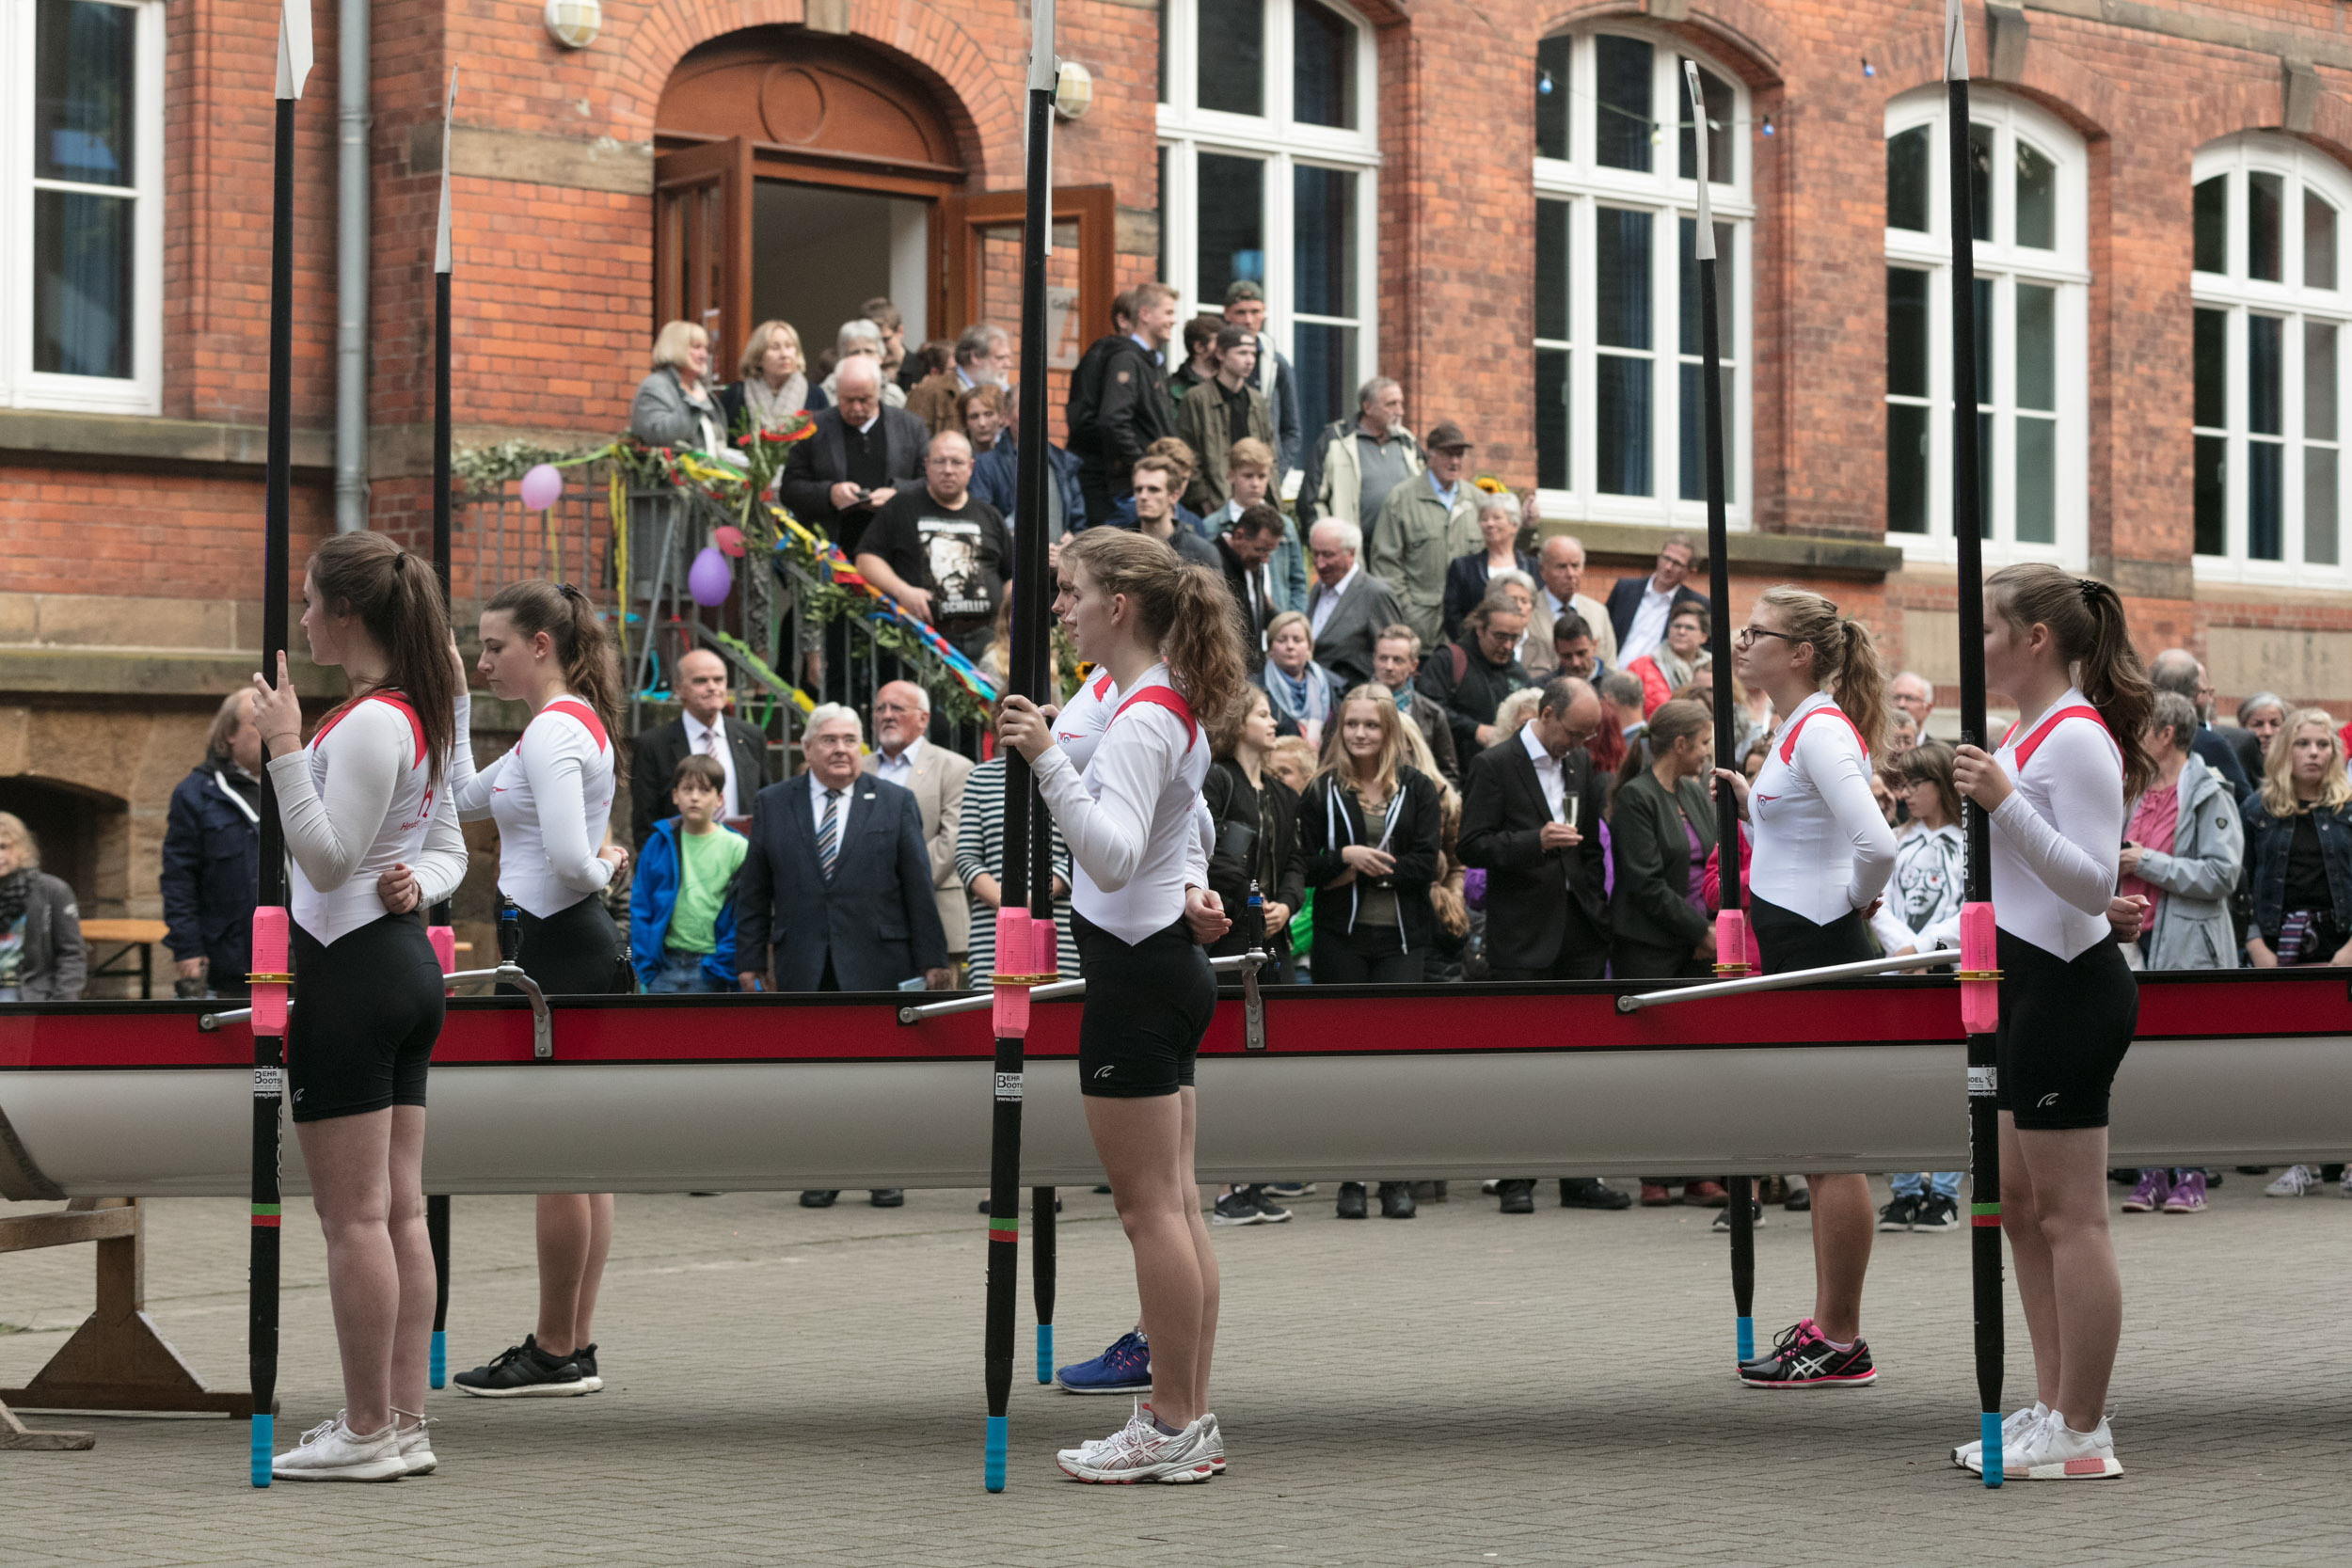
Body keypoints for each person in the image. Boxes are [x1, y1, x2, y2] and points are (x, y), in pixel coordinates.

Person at [993, 525, 1244, 1483]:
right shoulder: (1149, 701)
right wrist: (1190, 882)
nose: (1059, 608)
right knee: (1174, 1205)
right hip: (1154, 961)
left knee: (1153, 1212)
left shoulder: (1146, 713)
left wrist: (1047, 756)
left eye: (1069, 592)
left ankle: (1170, 1420)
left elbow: (1110, 851)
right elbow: (1188, 825)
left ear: (1119, 606)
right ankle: (1184, 1418)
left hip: (1140, 978)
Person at [254, 531, 464, 1480]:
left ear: (347, 612)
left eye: (309, 602)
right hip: (398, 968)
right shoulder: (408, 711)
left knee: (356, 1221)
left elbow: (328, 857)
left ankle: (369, 1425)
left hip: (354, 972)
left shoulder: (378, 720)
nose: (301, 618)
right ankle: (403, 1421)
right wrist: (415, 873)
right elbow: (440, 841)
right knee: (398, 1211)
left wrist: (286, 749)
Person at [1948, 562, 2152, 1481]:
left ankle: (2086, 1425)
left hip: (2071, 988)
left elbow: (2092, 881)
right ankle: (2051, 1402)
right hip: (2022, 983)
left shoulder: (2074, 737)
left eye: (1987, 626)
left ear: (2033, 638)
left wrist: (2001, 801)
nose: (1974, 642)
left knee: (2072, 1216)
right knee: (2021, 1209)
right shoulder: (2024, 733)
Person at [447, 578, 631, 1402]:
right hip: (557, 943)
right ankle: (571, 1341)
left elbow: (567, 861)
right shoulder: (548, 728)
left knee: (566, 1156)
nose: (483, 660)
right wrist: (454, 706)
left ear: (541, 646)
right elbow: (459, 797)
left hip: (561, 943)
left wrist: (607, 865)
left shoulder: (557, 731)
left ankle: (558, 1345)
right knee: (583, 1158)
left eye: (494, 647)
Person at [1715, 586, 1898, 1389]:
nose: (1742, 640)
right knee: (1820, 1146)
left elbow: (1877, 845)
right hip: (1797, 943)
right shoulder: (1791, 728)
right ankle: (1831, 1327)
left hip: (1821, 945)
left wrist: (1849, 904)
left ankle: (1840, 1334)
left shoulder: (1821, 729)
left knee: (1834, 1147)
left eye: (1759, 632)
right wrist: (1752, 808)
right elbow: (1807, 833)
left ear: (1802, 654)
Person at [1297, 686, 1442, 1218]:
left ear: (1390, 732)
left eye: (1371, 725)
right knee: (1347, 1061)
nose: (1360, 733)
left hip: (1403, 941)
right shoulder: (1320, 790)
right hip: (1342, 942)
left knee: (1396, 1061)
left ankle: (1396, 1179)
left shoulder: (1419, 788)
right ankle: (1351, 1179)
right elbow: (1304, 864)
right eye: (1352, 724)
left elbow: (1427, 863)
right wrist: (1344, 856)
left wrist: (1371, 867)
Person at [2114, 692, 2242, 1216]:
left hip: (2188, 946)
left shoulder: (2211, 792)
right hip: (2129, 943)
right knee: (2137, 1063)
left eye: (2140, 728)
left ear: (2165, 734)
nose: (2131, 736)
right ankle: (2149, 1176)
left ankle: (2191, 1175)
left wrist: (2150, 862)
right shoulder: (2132, 789)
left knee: (2188, 1067)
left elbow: (2222, 875)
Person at [2245, 710, 2352, 1199]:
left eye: (2323, 744)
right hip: (2279, 945)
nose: (2314, 752)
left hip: (2341, 944)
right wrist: (2255, 945)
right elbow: (2239, 887)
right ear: (2286, 750)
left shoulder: (2349, 809)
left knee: (2342, 1056)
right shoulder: (2259, 809)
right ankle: (2300, 1161)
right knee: (2289, 1059)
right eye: (2304, 743)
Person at [1869, 739, 1967, 1233]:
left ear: (1943, 784)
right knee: (1896, 1083)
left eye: (1915, 783)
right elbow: (1876, 900)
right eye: (1900, 784)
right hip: (1899, 972)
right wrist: (1902, 951)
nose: (1905, 793)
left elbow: (1970, 906)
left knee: (1951, 1080)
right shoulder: (1895, 841)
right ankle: (1904, 1190)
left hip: (1949, 972)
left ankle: (1945, 1192)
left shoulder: (1971, 843)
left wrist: (1926, 947)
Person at [1460, 675, 1610, 981]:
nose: (1579, 744)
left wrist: (1595, 902)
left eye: (1586, 736)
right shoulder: (1493, 765)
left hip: (1582, 931)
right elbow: (1471, 846)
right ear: (1547, 714)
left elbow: (1591, 845)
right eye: (1573, 733)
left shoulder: (1579, 760)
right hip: (1522, 940)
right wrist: (1535, 842)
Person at [854, 430, 1011, 663]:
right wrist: (903, 591)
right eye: (940, 461)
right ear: (927, 465)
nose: (948, 470)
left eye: (956, 462)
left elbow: (1011, 574)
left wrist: (1007, 618)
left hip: (986, 641)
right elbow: (866, 559)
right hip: (923, 641)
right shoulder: (900, 507)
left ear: (970, 467)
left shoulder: (989, 515)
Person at [859, 680, 976, 962]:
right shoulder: (859, 770)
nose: (886, 715)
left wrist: (897, 885)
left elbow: (952, 841)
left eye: (897, 708)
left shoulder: (955, 767)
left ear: (923, 718)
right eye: (880, 709)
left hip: (938, 918)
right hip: (868, 926)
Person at [161, 690, 262, 998]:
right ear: (230, 733)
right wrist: (187, 948)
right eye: (259, 723)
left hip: (303, 954)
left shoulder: (302, 782)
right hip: (233, 959)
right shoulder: (196, 794)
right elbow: (179, 879)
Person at [776, 355, 930, 554]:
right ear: (837, 393)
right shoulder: (814, 428)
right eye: (847, 400)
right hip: (832, 548)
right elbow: (790, 489)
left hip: (896, 547)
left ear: (878, 391)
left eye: (864, 399)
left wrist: (897, 494)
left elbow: (929, 481)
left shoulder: (910, 427)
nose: (856, 408)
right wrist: (830, 494)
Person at [955, 754, 1078, 985]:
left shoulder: (1070, 770)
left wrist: (1038, 900)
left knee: (1054, 1012)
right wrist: (1010, 903)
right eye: (1002, 715)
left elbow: (1080, 852)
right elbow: (966, 857)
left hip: (1057, 925)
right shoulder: (980, 777)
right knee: (987, 1013)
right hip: (992, 930)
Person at [629, 754, 747, 994]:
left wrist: (720, 965)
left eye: (704, 790)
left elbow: (745, 913)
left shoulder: (738, 847)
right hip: (663, 967)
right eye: (687, 789)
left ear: (719, 798)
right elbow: (641, 904)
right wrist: (646, 964)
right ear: (675, 795)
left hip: (713, 969)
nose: (694, 797)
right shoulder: (658, 843)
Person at [629, 646, 769, 848]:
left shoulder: (751, 737)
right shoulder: (653, 745)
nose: (712, 687)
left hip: (744, 862)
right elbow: (645, 821)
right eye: (701, 681)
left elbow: (764, 806)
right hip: (682, 865)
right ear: (678, 687)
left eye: (718, 680)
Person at [1068, 282, 1180, 523]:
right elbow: (1113, 419)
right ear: (1145, 314)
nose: (1174, 320)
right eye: (1169, 312)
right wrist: (1143, 466)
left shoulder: (1149, 361)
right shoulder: (1126, 358)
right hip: (1123, 487)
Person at [1367, 422, 1479, 648]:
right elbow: (1386, 564)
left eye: (1459, 455)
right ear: (1431, 453)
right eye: (1449, 454)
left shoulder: (1478, 501)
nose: (1455, 462)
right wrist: (1408, 613)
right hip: (1419, 633)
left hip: (1467, 635)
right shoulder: (1401, 499)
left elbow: (1495, 558)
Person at [1417, 591, 1530, 765]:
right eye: (1500, 637)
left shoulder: (1517, 673)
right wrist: (1474, 730)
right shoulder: (1448, 661)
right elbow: (1427, 708)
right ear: (1480, 629)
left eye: (1514, 638)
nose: (1508, 646)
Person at [1175, 325, 1275, 515]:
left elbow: (1269, 452)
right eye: (1242, 353)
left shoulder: (1256, 400)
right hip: (1213, 503)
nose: (1250, 361)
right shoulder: (1197, 398)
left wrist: (1270, 500)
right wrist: (1204, 501)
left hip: (1254, 504)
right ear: (1220, 354)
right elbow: (1188, 454)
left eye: (1253, 354)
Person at [1299, 376, 1420, 533]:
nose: (1400, 411)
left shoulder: (1407, 441)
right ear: (1368, 407)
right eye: (1391, 404)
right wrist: (1330, 539)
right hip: (1352, 550)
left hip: (1401, 550)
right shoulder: (1336, 440)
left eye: (1400, 403)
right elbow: (1311, 501)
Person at [1200, 439, 1303, 616]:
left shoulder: (1285, 526)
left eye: (1261, 476)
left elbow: (1297, 581)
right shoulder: (1212, 525)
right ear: (1231, 475)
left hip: (1278, 623)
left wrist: (1292, 620)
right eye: (1248, 476)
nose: (1255, 484)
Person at [1304, 519, 1406, 691]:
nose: (1320, 563)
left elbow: (1394, 654)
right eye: (1315, 554)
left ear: (1351, 553)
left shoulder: (1375, 594)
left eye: (1328, 555)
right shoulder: (1318, 589)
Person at [970, 395, 1089, 541]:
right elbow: (982, 521)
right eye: (1025, 408)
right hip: (1010, 559)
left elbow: (1079, 523)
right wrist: (1010, 541)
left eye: (1040, 409)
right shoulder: (986, 464)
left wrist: (1071, 542)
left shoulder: (1065, 463)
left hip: (1059, 560)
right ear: (1006, 416)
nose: (1035, 415)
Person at [1219, 281, 1302, 481]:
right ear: (1227, 314)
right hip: (1223, 472)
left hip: (1264, 474)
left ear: (1264, 312)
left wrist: (1276, 474)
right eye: (1241, 312)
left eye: (1255, 311)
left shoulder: (1276, 362)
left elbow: (1292, 429)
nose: (1248, 320)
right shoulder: (1217, 356)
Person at [2147, 648, 2252, 801]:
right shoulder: (2210, 744)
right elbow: (2244, 804)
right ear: (2195, 695)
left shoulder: (2128, 736)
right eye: (2205, 691)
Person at [0, 814, 85, 1003]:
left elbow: (71, 954)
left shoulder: (52, 890)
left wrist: (63, 1004)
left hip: (29, 993)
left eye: (4, 847)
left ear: (22, 849)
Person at [1370, 625, 1460, 786]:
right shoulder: (1350, 706)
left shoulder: (1432, 714)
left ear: (1413, 665)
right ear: (1374, 659)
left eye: (1397, 660)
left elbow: (1448, 774)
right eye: (1383, 658)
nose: (1389, 667)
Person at [1442, 490, 1538, 640]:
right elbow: (1452, 618)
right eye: (1484, 519)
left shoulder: (1533, 567)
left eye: (1497, 518)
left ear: (1514, 525)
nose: (1489, 524)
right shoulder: (1463, 567)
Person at [1603, 532, 1708, 665]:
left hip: (1660, 681)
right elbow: (1603, 631)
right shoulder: (1625, 589)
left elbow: (1704, 651)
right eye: (1666, 558)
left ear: (1690, 572)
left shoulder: (1696, 604)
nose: (1668, 567)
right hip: (1613, 674)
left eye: (1676, 563)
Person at [1525, 535, 1617, 677]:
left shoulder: (1598, 612)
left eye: (1575, 566)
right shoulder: (1527, 611)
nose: (1570, 574)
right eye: (1561, 567)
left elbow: (1610, 665)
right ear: (1543, 570)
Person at [629, 321, 728, 452]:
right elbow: (659, 437)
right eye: (696, 347)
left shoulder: (699, 389)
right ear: (675, 348)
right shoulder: (655, 386)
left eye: (706, 348)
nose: (704, 355)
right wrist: (693, 404)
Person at [719, 319, 827, 436]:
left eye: (789, 346)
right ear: (758, 356)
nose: (784, 354)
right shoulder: (734, 395)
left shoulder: (816, 395)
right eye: (775, 347)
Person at [1254, 609, 1343, 748]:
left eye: (1297, 640)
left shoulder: (1333, 686)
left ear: (1309, 648)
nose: (1290, 646)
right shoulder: (1254, 689)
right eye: (1282, 640)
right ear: (1270, 649)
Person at [906, 322, 1010, 435]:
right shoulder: (928, 391)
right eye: (1000, 358)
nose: (1008, 364)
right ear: (975, 357)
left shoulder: (1007, 396)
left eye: (1008, 357)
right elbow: (911, 440)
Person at [1628, 603, 1709, 718]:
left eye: (1689, 628)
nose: (1681, 632)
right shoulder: (1640, 667)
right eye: (1676, 626)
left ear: (1703, 637)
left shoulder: (1714, 668)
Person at [818, 317, 910, 408]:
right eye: (855, 352)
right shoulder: (825, 393)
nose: (862, 357)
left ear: (880, 357)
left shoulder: (893, 395)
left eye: (868, 351)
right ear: (843, 358)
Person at [1165, 314, 1221, 415]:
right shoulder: (1170, 389)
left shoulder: (1229, 385)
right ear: (1199, 347)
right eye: (1218, 342)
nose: (1224, 348)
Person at [2230, 690, 2285, 786]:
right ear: (2242, 728)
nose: (2267, 732)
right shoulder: (2234, 770)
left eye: (2274, 724)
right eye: (2257, 725)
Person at [1889, 670, 1934, 739]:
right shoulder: (1872, 748)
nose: (1901, 704)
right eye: (1896, 697)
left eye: (1910, 698)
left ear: (1928, 708)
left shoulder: (1937, 750)